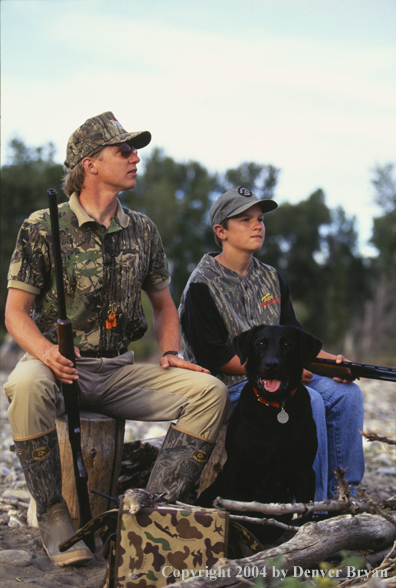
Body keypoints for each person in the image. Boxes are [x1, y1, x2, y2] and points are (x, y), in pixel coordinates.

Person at [4, 112, 231, 567]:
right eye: (123, 151)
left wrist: (170, 352)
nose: (135, 158)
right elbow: (15, 312)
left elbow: (164, 305)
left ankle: (152, 511)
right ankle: (52, 512)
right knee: (24, 386)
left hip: (119, 371)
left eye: (134, 150)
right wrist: (46, 351)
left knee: (210, 392)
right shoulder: (42, 225)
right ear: (89, 164)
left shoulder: (143, 230)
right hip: (57, 366)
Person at [179, 185, 365, 501]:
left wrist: (335, 362)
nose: (257, 226)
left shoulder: (271, 277)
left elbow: (293, 337)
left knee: (346, 394)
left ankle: (346, 496)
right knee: (313, 401)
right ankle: (318, 510)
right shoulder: (201, 284)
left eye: (261, 219)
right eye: (245, 219)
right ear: (221, 231)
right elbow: (214, 355)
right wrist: (280, 374)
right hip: (229, 385)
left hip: (278, 373)